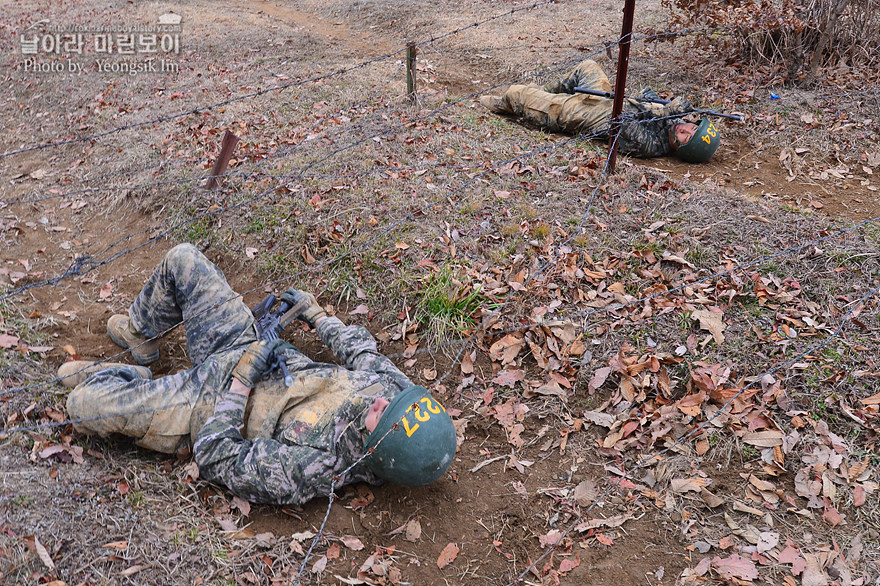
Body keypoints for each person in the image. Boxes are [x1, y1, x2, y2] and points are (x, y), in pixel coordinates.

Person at [59, 243, 457, 505]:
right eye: (396, 400)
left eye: (383, 415)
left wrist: (241, 379)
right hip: (247, 346)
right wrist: (315, 314)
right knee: (183, 259)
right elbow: (362, 350)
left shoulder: (315, 466)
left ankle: (134, 379)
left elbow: (217, 455)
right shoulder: (394, 393)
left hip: (209, 401)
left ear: (377, 450)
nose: (384, 401)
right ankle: (139, 339)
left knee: (82, 404)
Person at [480, 59, 720, 162]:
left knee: (515, 93)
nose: (685, 128)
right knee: (588, 67)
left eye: (686, 137)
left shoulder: (649, 147)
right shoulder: (670, 124)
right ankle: (545, 92)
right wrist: (661, 105)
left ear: (681, 149)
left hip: (578, 113)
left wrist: (666, 111)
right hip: (600, 96)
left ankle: (507, 106)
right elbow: (645, 99)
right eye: (692, 126)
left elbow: (623, 119)